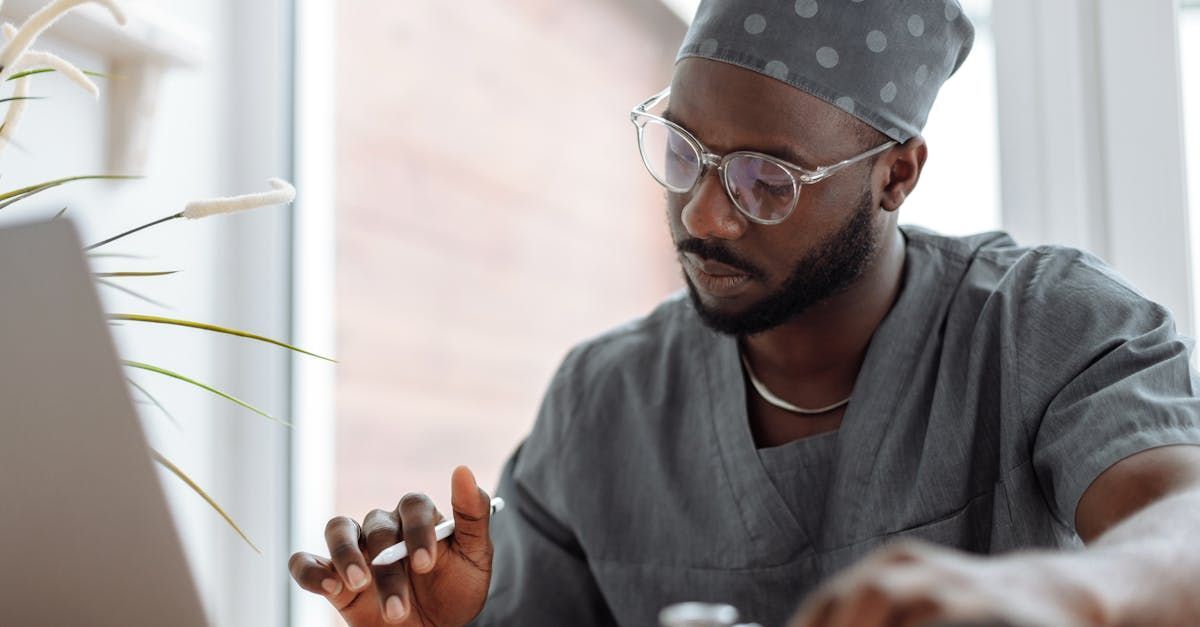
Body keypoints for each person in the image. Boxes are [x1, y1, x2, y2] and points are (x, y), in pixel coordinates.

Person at [289, 1, 1200, 625]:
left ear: (897, 175)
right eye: (683, 152)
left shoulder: (1046, 328)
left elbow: (1184, 520)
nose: (704, 215)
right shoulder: (606, 405)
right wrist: (466, 617)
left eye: (769, 179)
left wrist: (1064, 595)